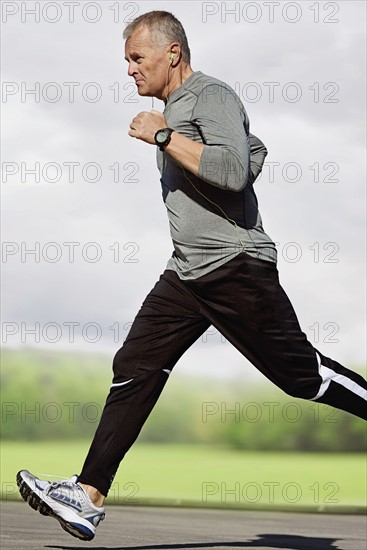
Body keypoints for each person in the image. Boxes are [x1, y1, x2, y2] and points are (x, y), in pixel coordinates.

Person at [17, 10, 367, 542]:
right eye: (127, 61)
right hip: (187, 272)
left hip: (234, 266)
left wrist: (163, 138)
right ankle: (87, 494)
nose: (129, 71)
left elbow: (233, 171)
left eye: (137, 58)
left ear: (172, 53)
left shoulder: (209, 96)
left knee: (303, 376)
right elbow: (250, 152)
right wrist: (228, 146)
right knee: (135, 362)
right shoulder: (182, 108)